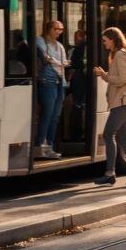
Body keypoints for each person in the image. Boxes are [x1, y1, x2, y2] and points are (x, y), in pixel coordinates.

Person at [93, 27, 126, 186]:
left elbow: (124, 78)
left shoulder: (120, 55)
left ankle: (110, 173)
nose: (104, 43)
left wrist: (104, 75)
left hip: (124, 102)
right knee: (123, 137)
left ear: (113, 39)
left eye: (105, 40)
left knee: (108, 134)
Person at [34, 20, 68, 159]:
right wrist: (60, 63)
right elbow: (46, 58)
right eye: (57, 29)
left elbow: (63, 62)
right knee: (47, 114)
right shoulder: (40, 41)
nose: (59, 32)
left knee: (55, 116)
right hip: (47, 81)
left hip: (60, 82)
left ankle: (50, 147)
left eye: (61, 30)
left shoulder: (59, 46)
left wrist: (59, 62)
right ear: (49, 29)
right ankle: (40, 146)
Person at [67, 29, 88, 141]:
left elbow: (73, 63)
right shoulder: (80, 48)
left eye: (77, 37)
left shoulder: (79, 48)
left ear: (83, 37)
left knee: (77, 106)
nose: (75, 40)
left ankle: (76, 134)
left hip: (79, 82)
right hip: (80, 82)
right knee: (80, 106)